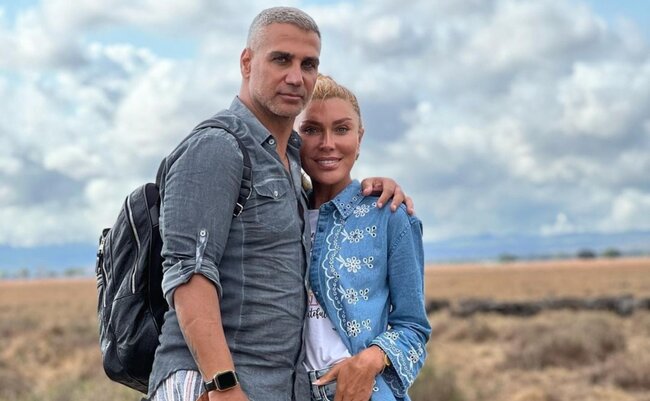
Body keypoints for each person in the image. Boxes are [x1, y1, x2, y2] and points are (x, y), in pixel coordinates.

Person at [148, 7, 413, 401]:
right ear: (247, 62)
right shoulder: (218, 146)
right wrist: (223, 384)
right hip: (211, 385)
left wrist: (372, 188)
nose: (295, 76)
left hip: (272, 387)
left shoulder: (288, 161)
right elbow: (189, 272)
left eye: (308, 64)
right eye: (281, 59)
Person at [296, 74, 430, 401]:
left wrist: (369, 360)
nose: (327, 143)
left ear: (360, 137)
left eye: (342, 129)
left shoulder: (389, 216)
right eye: (311, 129)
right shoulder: (278, 216)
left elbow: (413, 328)